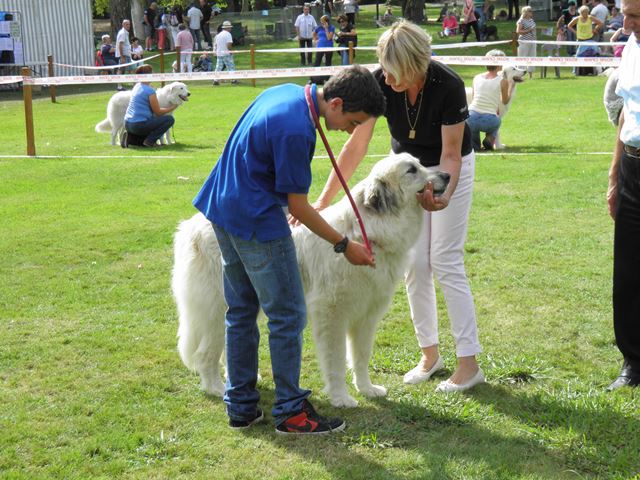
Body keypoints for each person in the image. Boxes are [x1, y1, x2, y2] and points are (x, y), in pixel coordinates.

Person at [192, 65, 385, 433]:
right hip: (255, 220)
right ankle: (291, 412)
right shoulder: (296, 130)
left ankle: (243, 407)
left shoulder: (286, 92)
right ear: (338, 103)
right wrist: (344, 245)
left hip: (221, 209)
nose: (351, 131)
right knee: (288, 316)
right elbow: (298, 208)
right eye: (354, 122)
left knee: (242, 309)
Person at [310, 21, 484, 393]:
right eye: (384, 71)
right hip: (403, 172)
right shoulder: (379, 83)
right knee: (415, 265)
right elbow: (354, 147)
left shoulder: (449, 86)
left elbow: (451, 154)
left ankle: (468, 364)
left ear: (415, 65)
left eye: (394, 73)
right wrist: (324, 200)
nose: (386, 80)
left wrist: (443, 195)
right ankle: (430, 355)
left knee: (445, 258)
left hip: (448, 168)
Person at [606, 0, 640, 391]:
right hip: (632, 166)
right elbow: (625, 116)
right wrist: (614, 176)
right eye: (626, 14)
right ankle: (634, 362)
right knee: (629, 270)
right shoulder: (631, 45)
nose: (626, 24)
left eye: (636, 15)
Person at [466, 50, 514, 151]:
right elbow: (505, 101)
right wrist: (511, 86)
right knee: (497, 120)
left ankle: (475, 147)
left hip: (470, 117)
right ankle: (489, 138)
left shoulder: (476, 77)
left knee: (473, 131)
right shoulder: (503, 81)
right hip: (489, 120)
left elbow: (474, 97)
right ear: (498, 65)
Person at [123, 64, 178, 148]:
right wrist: (172, 107)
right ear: (148, 75)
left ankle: (130, 138)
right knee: (169, 119)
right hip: (138, 124)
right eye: (152, 73)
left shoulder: (137, 86)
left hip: (127, 123)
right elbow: (158, 112)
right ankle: (150, 142)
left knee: (149, 127)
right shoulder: (150, 91)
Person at [212, 20, 237, 85]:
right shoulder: (228, 34)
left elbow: (216, 45)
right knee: (230, 67)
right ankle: (233, 79)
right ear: (227, 28)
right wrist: (230, 51)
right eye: (230, 27)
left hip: (219, 53)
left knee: (218, 67)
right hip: (226, 53)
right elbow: (228, 45)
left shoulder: (218, 35)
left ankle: (215, 80)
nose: (230, 29)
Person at [516, 6, 537, 78]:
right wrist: (529, 30)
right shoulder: (521, 20)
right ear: (526, 12)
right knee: (522, 58)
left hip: (533, 41)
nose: (531, 12)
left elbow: (533, 29)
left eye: (531, 10)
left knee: (532, 57)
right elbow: (518, 31)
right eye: (530, 11)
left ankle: (531, 75)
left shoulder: (531, 20)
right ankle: (520, 75)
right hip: (523, 42)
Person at [115, 19, 132, 91]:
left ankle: (132, 84)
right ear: (123, 25)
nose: (128, 26)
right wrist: (122, 57)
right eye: (126, 24)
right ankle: (119, 86)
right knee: (121, 70)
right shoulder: (122, 33)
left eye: (129, 24)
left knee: (128, 70)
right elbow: (120, 45)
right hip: (124, 55)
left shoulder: (125, 33)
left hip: (126, 55)